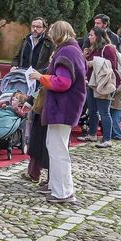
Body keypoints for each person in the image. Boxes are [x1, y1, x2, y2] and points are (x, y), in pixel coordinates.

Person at [34, 22, 88, 204]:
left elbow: (63, 82)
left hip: (62, 107)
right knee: (54, 146)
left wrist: (40, 77)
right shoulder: (73, 50)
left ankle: (63, 192)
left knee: (58, 149)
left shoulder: (67, 52)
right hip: (65, 107)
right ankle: (56, 187)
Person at [84, 27, 119, 146]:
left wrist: (94, 62)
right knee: (92, 110)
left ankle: (107, 139)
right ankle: (92, 133)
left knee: (104, 111)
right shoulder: (92, 49)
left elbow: (111, 65)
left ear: (98, 36)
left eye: (91, 35)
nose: (89, 37)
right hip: (92, 83)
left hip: (104, 84)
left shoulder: (108, 48)